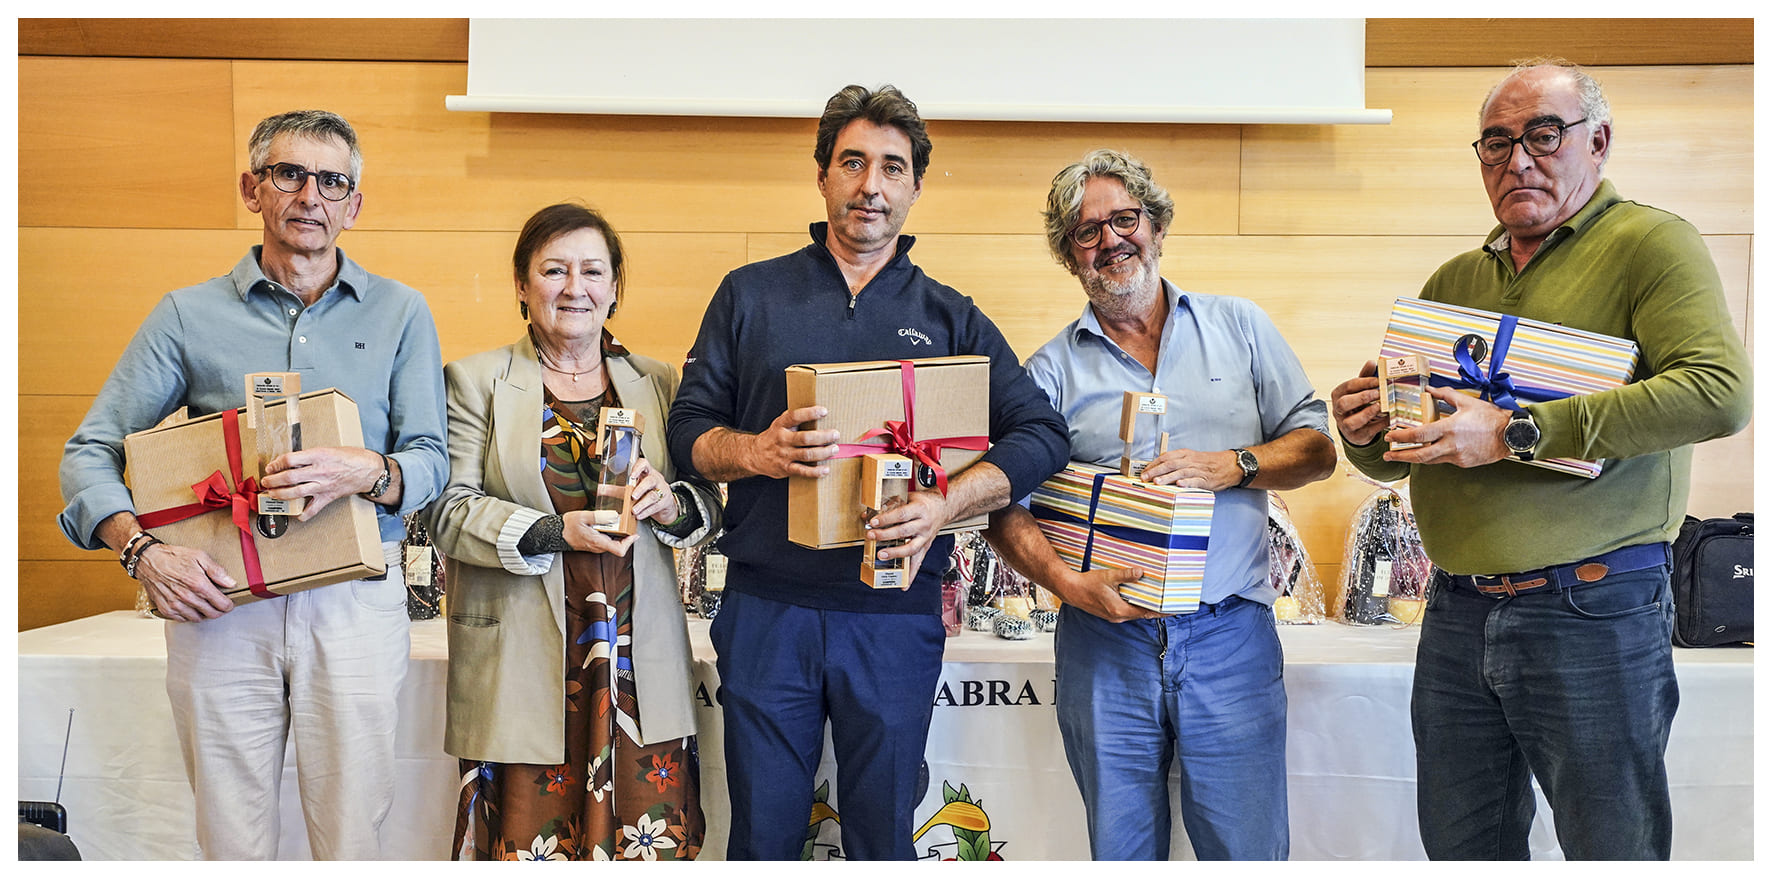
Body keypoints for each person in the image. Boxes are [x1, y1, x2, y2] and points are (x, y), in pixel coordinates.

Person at [1328, 59, 1751, 860]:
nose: (1518, 159)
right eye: (1496, 143)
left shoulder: (1652, 243)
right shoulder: (1456, 277)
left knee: (1610, 850)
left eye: (1543, 135)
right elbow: (1400, 459)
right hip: (1455, 614)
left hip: (1593, 609)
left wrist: (1515, 432)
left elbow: (1719, 393)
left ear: (1599, 141)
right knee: (1462, 849)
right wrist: (1363, 429)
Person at [666, 84, 1069, 860]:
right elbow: (688, 433)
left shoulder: (952, 317)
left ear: (915, 186)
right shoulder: (750, 295)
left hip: (893, 617)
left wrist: (945, 502)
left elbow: (1041, 433)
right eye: (853, 162)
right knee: (762, 837)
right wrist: (756, 451)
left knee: (884, 837)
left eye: (893, 167)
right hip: (765, 612)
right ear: (823, 175)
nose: (871, 185)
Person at [56, 110, 448, 859]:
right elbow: (88, 451)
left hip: (355, 603)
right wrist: (143, 552)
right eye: (288, 174)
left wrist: (371, 469)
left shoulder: (403, 311)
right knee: (229, 835)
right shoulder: (186, 314)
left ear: (354, 205)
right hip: (222, 605)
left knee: (353, 832)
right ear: (252, 188)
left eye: (333, 180)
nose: (311, 195)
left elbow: (431, 458)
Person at [983, 149, 1335, 860]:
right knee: (1121, 854)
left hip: (1230, 636)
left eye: (1125, 218)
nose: (1111, 239)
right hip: (1102, 644)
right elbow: (999, 505)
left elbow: (1317, 448)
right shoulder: (1048, 371)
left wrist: (1231, 465)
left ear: (1158, 224)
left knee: (1247, 854)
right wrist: (1065, 584)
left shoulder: (1240, 327)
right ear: (1068, 254)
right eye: (1088, 231)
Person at [427, 203, 721, 861]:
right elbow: (445, 511)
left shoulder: (660, 382)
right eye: (553, 269)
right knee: (533, 848)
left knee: (648, 846)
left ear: (615, 287)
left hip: (636, 667)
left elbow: (709, 504)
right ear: (522, 285)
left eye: (592, 270)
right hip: (526, 667)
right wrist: (555, 530)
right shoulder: (475, 382)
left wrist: (668, 502)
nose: (573, 287)